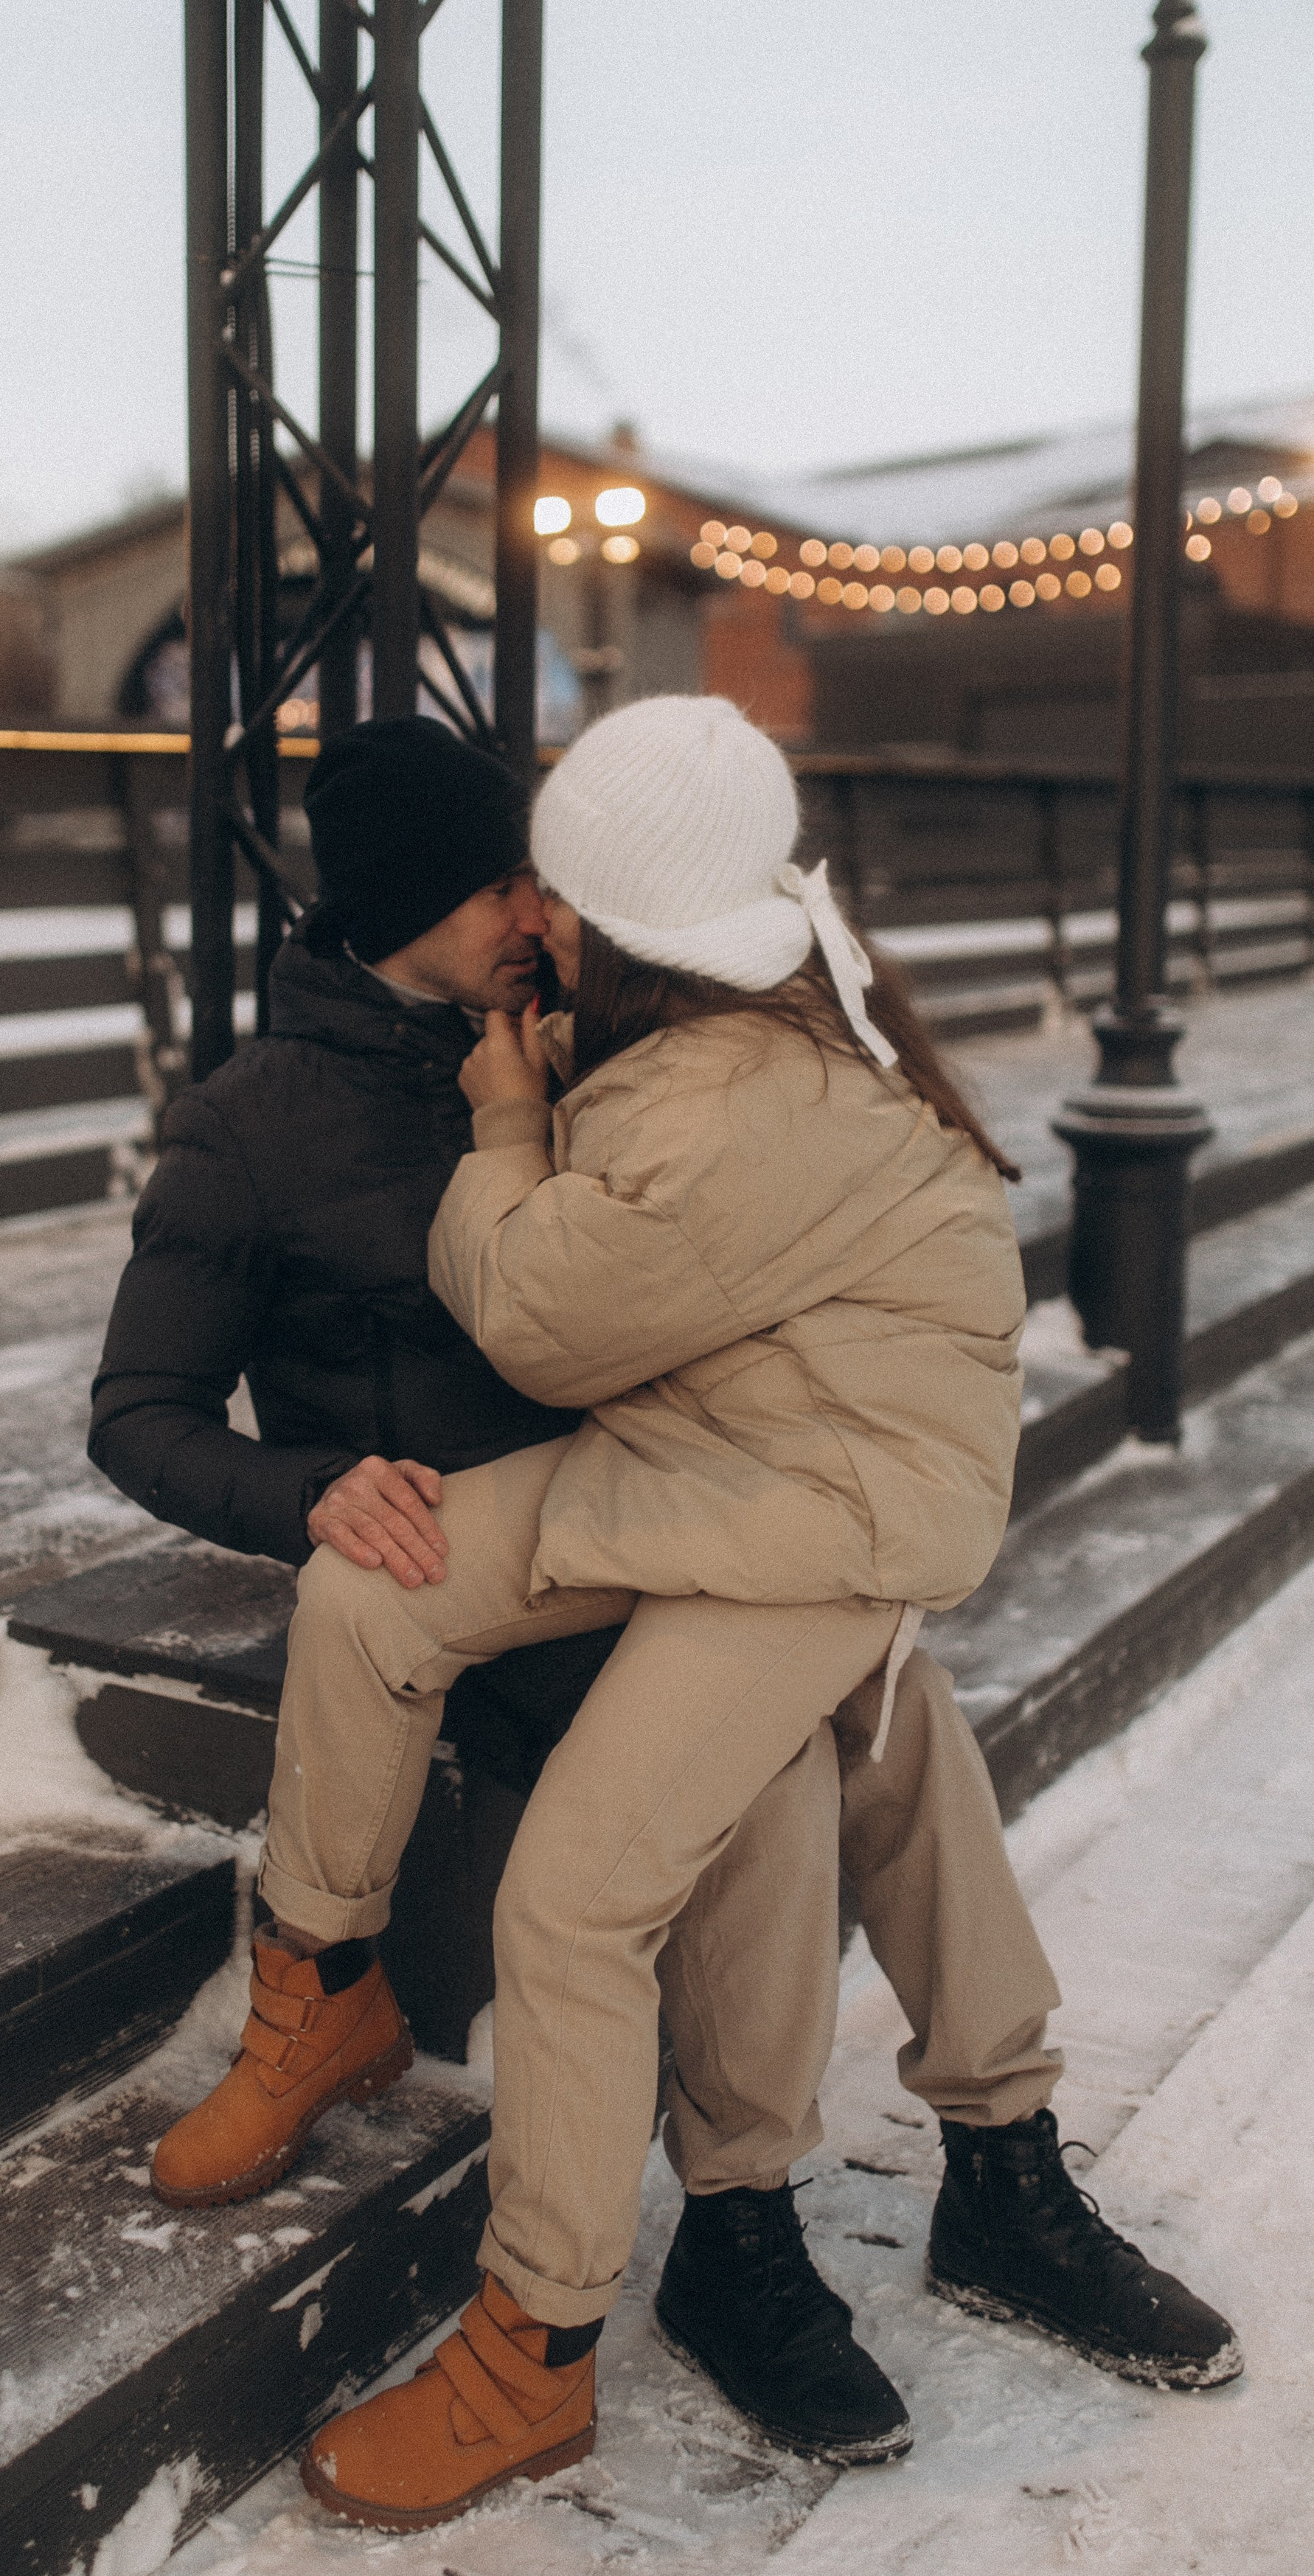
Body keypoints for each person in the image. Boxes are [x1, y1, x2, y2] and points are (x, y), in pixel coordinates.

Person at [129, 700, 1240, 2533]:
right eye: (507, 883)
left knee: (607, 1877)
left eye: (547, 884)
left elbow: (541, 1319)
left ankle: (542, 2348)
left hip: (810, 1506)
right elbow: (163, 1399)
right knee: (375, 1589)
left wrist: (498, 1121)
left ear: (612, 920)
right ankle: (318, 1989)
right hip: (708, 1452)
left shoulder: (727, 1080)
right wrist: (323, 1469)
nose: (531, 919)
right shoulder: (704, 1012)